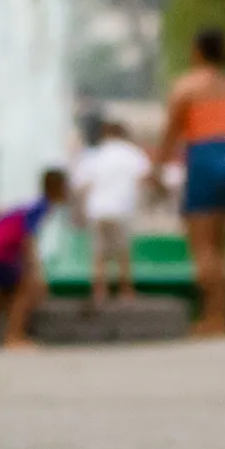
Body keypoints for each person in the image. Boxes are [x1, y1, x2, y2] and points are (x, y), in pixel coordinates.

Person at [159, 28, 225, 337]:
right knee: (222, 247)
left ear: (197, 51)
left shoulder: (186, 87)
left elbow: (171, 131)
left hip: (204, 158)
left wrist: (157, 169)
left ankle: (209, 318)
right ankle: (223, 317)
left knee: (201, 247)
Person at [0, 168, 68, 349]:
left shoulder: (37, 205)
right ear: (57, 188)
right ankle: (13, 337)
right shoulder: (41, 207)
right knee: (25, 289)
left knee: (8, 289)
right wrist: (35, 271)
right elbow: (28, 240)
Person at [70, 111, 149, 309]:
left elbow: (81, 185)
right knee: (123, 252)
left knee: (99, 253)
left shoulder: (96, 154)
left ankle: (99, 292)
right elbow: (145, 177)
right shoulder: (133, 154)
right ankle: (126, 291)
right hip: (122, 209)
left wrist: (77, 212)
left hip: (97, 209)